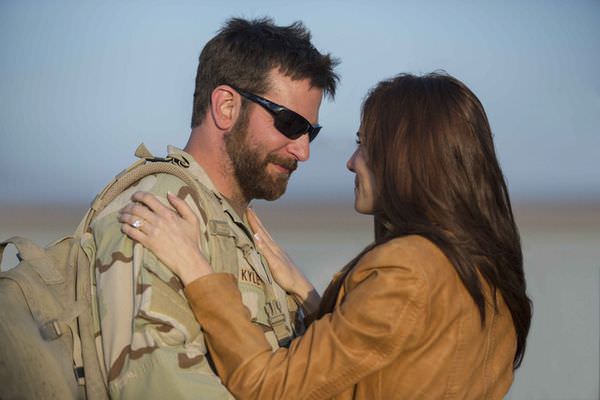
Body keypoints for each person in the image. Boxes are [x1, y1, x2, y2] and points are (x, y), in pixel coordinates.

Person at [119, 72, 532, 399]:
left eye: (365, 145)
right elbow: (386, 364)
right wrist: (308, 293)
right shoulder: (483, 271)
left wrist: (197, 270)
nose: (352, 162)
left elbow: (269, 385)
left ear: (406, 157)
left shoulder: (408, 270)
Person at [91, 17, 339, 399]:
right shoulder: (158, 212)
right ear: (226, 106)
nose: (303, 151)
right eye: (290, 124)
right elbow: (153, 382)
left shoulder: (244, 230)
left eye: (311, 132)